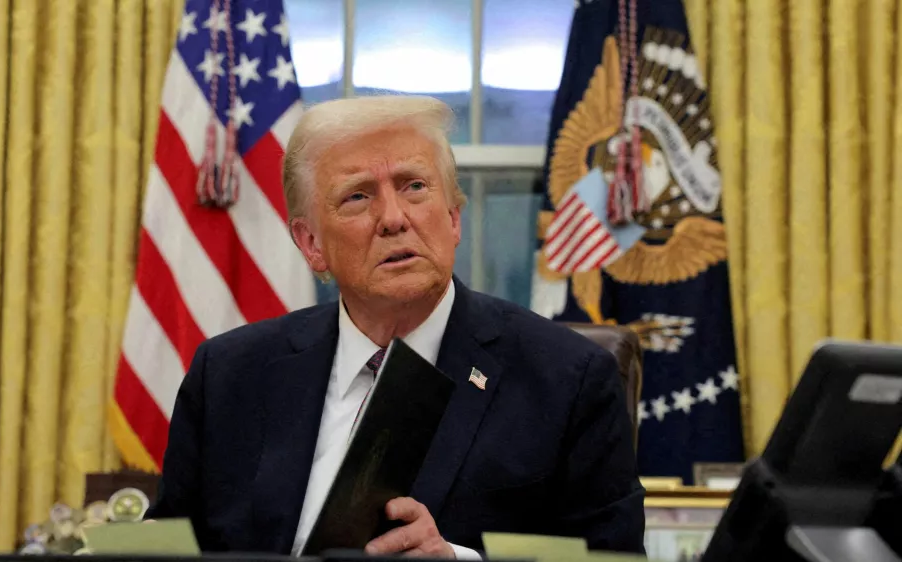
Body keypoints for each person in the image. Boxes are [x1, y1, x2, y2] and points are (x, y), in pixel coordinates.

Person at [146, 95, 646, 558]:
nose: (393, 218)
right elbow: (167, 547)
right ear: (311, 243)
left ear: (453, 218)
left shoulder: (566, 379)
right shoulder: (230, 375)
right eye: (358, 197)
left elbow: (610, 557)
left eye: (414, 186)